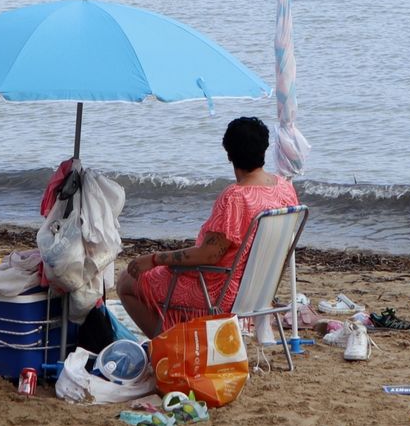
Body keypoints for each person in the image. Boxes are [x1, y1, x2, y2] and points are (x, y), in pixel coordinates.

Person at [117, 117, 299, 337]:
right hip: (259, 290)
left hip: (218, 291)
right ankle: (182, 341)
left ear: (229, 154)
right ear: (265, 149)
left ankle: (171, 346)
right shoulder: (284, 188)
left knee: (127, 281)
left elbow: (210, 254)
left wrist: (153, 258)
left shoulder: (235, 197)